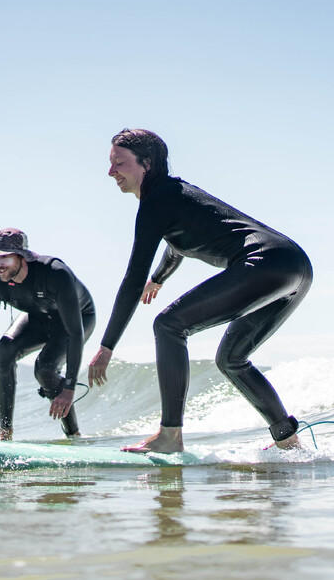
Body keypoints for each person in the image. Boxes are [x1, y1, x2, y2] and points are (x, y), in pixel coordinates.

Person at [88, 129, 313, 453]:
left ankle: (170, 435)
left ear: (146, 164)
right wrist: (160, 278)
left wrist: (107, 346)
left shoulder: (157, 201)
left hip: (265, 263)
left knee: (168, 325)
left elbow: (132, 278)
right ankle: (288, 440)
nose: (111, 172)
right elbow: (176, 247)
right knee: (232, 359)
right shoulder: (175, 195)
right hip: (294, 267)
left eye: (119, 163)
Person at [0, 228, 95, 440]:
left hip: (79, 319)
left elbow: (73, 333)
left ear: (22, 256)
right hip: (39, 316)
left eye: (5, 257)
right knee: (5, 348)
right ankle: (5, 432)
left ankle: (74, 434)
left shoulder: (55, 273)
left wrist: (69, 387)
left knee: (45, 369)